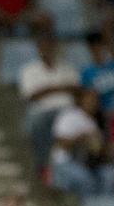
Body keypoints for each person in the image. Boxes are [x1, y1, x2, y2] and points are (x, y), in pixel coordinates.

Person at [19, 29, 79, 170]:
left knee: (75, 124)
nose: (47, 49)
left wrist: (47, 89)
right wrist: (60, 88)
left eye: (50, 45)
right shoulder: (29, 70)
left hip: (67, 110)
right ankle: (43, 165)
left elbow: (77, 90)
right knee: (37, 123)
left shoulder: (68, 68)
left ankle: (68, 166)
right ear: (38, 48)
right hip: (43, 111)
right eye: (44, 46)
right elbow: (31, 96)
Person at [80, 31, 114, 116]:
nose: (96, 49)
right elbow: (87, 98)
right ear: (89, 49)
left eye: (99, 45)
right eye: (93, 46)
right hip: (100, 115)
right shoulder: (86, 72)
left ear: (104, 46)